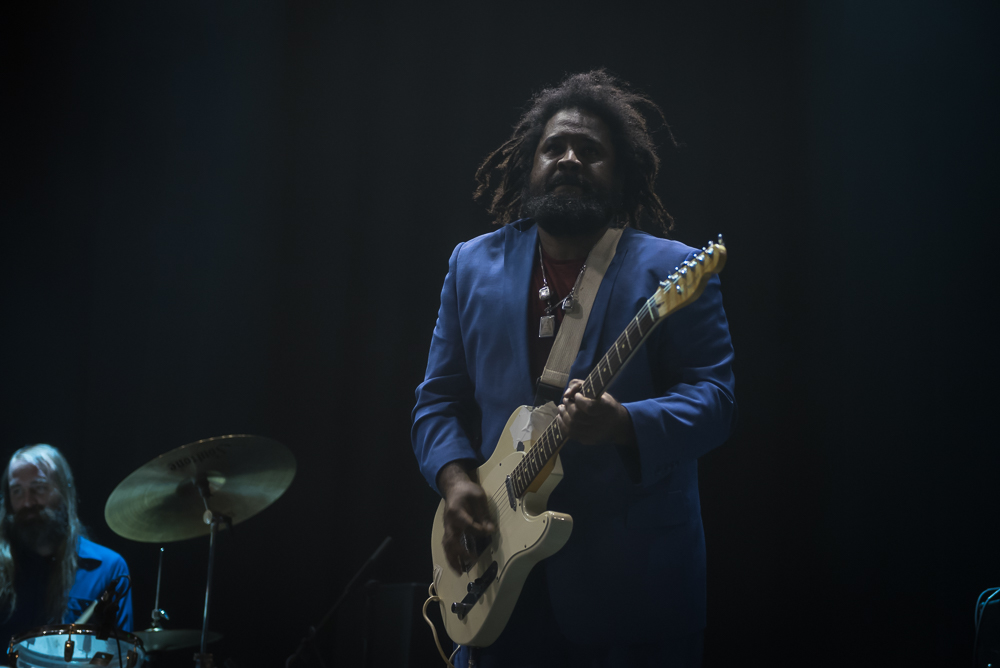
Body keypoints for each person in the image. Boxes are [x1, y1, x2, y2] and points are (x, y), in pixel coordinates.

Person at [412, 70, 737, 667]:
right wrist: (456, 482)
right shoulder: (472, 265)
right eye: (554, 147)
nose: (569, 158)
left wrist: (624, 423)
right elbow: (438, 402)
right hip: (497, 582)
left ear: (620, 174)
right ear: (529, 164)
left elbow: (715, 400)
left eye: (590, 151)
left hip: (631, 592)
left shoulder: (672, 270)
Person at [0, 444, 132, 645]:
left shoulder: (108, 569)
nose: (27, 502)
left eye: (39, 488)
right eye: (17, 491)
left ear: (64, 491)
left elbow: (118, 655)